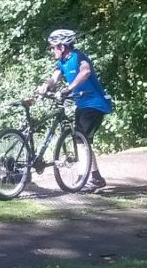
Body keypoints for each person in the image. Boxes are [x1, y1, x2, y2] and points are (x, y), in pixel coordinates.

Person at [37, 29, 113, 189]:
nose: (51, 50)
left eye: (53, 47)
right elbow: (54, 78)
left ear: (62, 47)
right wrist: (45, 85)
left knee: (80, 140)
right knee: (82, 139)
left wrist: (69, 88)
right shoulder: (62, 62)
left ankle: (83, 179)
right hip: (82, 105)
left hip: (94, 103)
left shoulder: (78, 57)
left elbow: (85, 71)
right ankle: (96, 178)